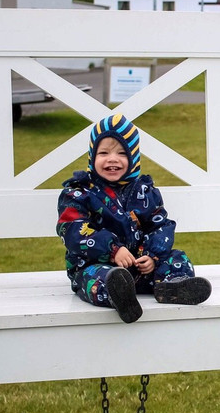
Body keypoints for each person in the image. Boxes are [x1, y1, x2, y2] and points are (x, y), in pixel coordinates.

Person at [57, 114, 211, 323]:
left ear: (134, 158)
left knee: (177, 259)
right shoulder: (80, 193)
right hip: (97, 265)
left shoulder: (144, 191)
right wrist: (113, 250)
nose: (112, 159)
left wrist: (152, 256)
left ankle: (172, 286)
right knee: (95, 278)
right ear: (92, 156)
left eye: (122, 153)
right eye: (104, 152)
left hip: (141, 266)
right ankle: (119, 295)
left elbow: (160, 225)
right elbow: (73, 230)